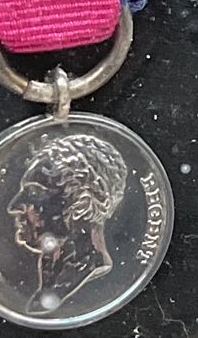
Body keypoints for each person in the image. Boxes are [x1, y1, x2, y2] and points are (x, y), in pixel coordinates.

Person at [8, 132, 130, 313]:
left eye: (35, 192)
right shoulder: (53, 270)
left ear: (81, 203)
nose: (14, 206)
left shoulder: (80, 268)